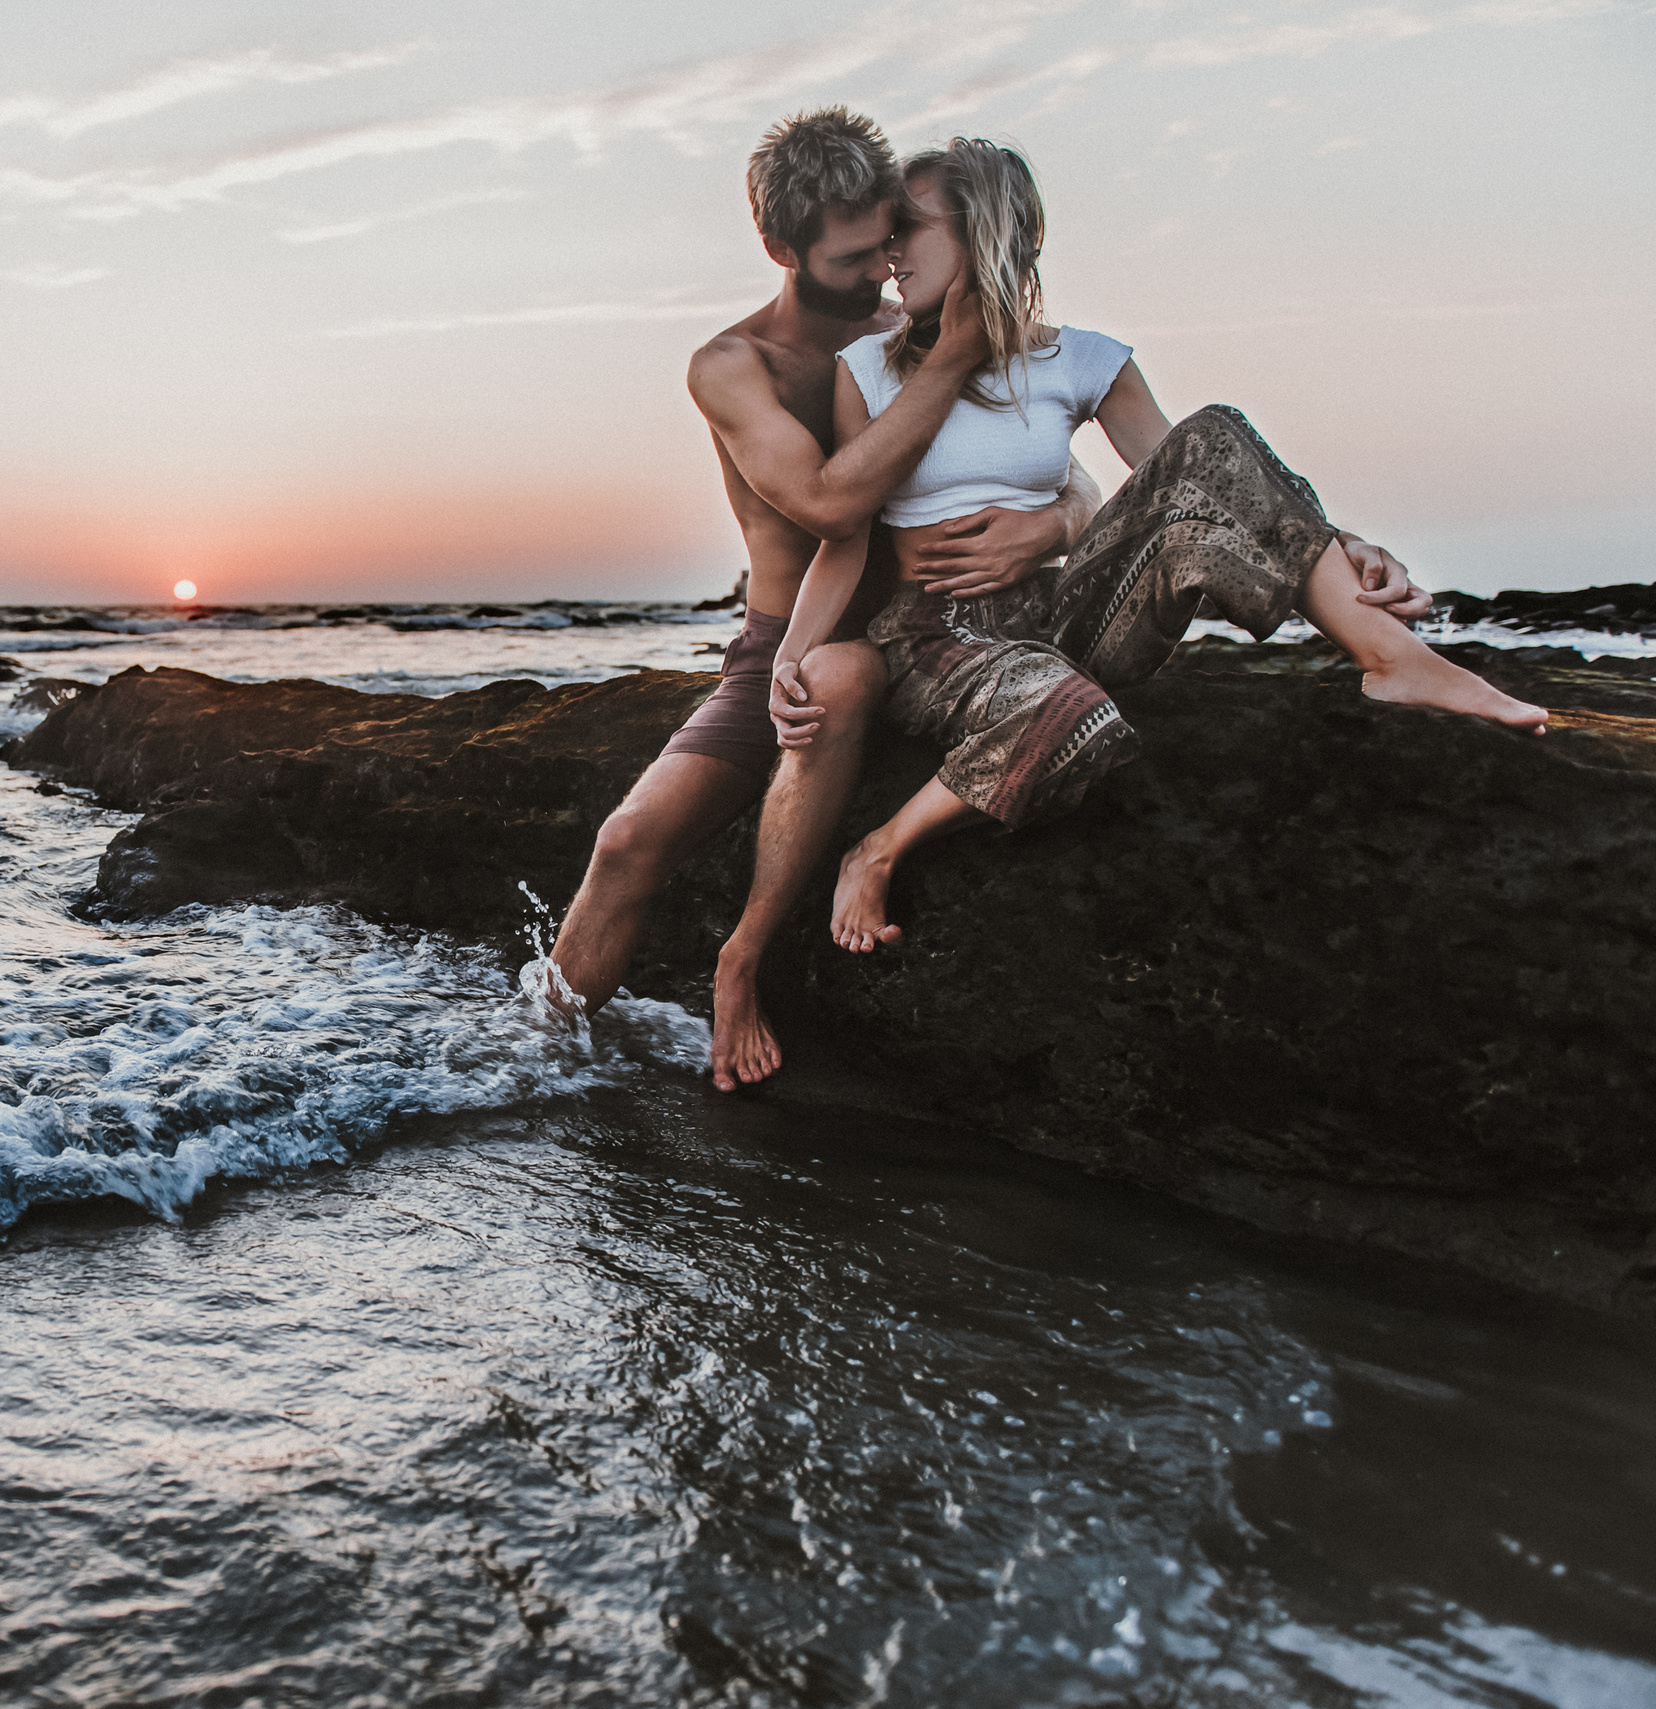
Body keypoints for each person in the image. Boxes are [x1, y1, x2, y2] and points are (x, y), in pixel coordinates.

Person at [753, 137, 1545, 963]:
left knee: (1214, 430)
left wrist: (1342, 540)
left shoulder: (1079, 358)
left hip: (1062, 612)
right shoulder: (868, 369)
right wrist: (790, 656)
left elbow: (1205, 481)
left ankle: (1395, 660)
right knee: (1075, 717)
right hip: (939, 634)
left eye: (909, 227)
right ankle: (879, 847)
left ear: (983, 231)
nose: (889, 250)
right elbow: (844, 540)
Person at [544, 107, 1104, 1085]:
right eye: (852, 258)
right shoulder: (734, 367)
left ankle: (746, 961)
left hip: (937, 626)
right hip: (786, 641)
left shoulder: (916, 321)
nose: (882, 271)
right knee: (625, 840)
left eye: (889, 241)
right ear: (780, 249)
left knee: (860, 679)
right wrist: (950, 361)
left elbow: (1059, 462)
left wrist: (1054, 523)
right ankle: (536, 1066)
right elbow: (830, 504)